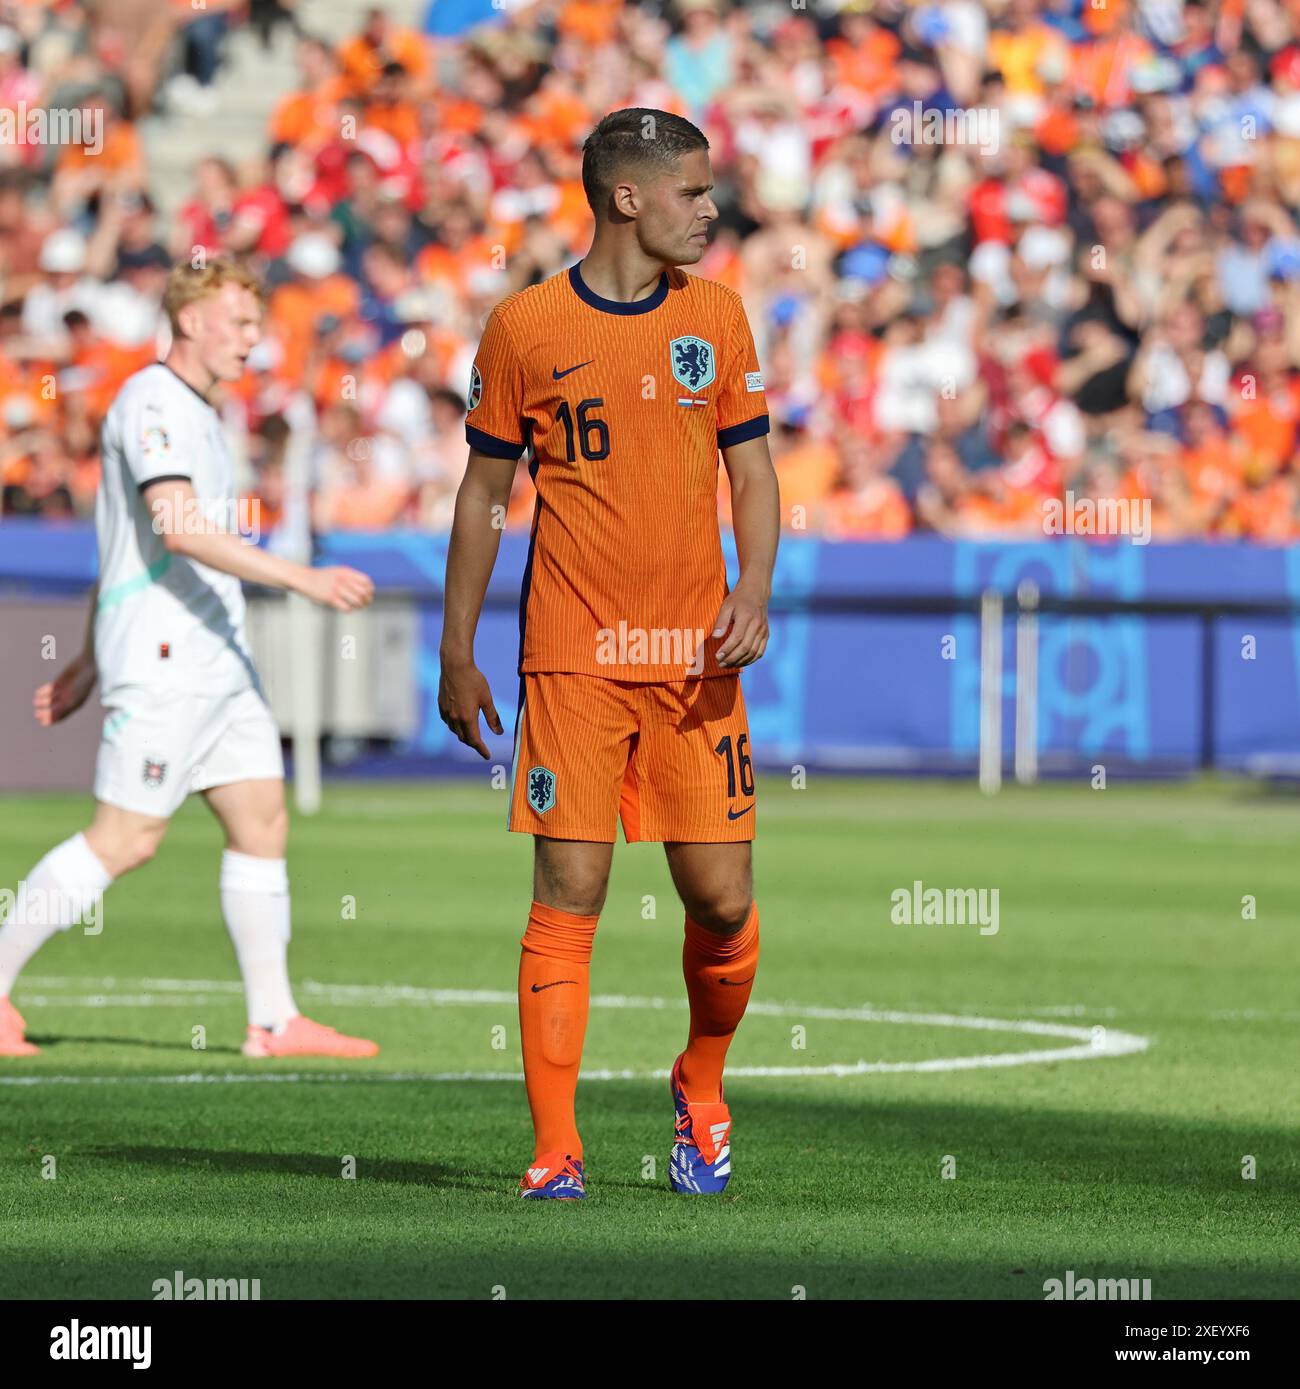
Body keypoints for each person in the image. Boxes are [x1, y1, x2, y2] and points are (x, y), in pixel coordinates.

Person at [438, 108, 779, 1199]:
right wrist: (458, 648)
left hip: (693, 659)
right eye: (692, 191)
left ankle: (702, 1082)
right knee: (569, 887)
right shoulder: (523, 326)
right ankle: (554, 1153)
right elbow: (485, 493)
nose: (709, 209)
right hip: (572, 654)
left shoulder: (718, 317)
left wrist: (753, 589)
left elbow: (756, 475)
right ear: (627, 197)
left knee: (721, 903)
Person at [0, 259, 379, 1061]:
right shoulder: (152, 402)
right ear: (193, 317)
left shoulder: (204, 412)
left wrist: (81, 657)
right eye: (240, 323)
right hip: (166, 653)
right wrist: (300, 576)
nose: (253, 340)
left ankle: (273, 1021)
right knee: (126, 837)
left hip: (214, 649)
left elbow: (122, 547)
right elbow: (173, 528)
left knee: (261, 818)